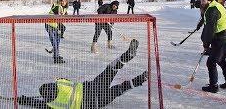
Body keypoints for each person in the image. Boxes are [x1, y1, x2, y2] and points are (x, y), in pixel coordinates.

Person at [15, 39, 148, 109]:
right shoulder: (60, 83)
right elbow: (64, 81)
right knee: (111, 69)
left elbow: (37, 104)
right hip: (93, 87)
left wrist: (24, 99)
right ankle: (127, 55)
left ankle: (141, 79)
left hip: (94, 103)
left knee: (120, 88)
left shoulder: (52, 105)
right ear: (51, 85)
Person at [199, 0, 226, 93]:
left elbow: (210, 29)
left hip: (222, 38)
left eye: (203, 1)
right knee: (221, 59)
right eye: (201, 0)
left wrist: (206, 44)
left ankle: (213, 86)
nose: (201, 3)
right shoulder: (214, 5)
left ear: (209, 1)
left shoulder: (212, 9)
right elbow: (206, 23)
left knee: (211, 62)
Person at [45, 0, 69, 64]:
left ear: (67, 1)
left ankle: (56, 54)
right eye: (62, 0)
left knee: (57, 41)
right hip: (49, 25)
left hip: (56, 26)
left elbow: (64, 16)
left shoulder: (64, 8)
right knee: (55, 42)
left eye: (65, 1)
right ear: (60, 1)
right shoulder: (57, 6)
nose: (63, 2)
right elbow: (58, 14)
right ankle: (56, 58)